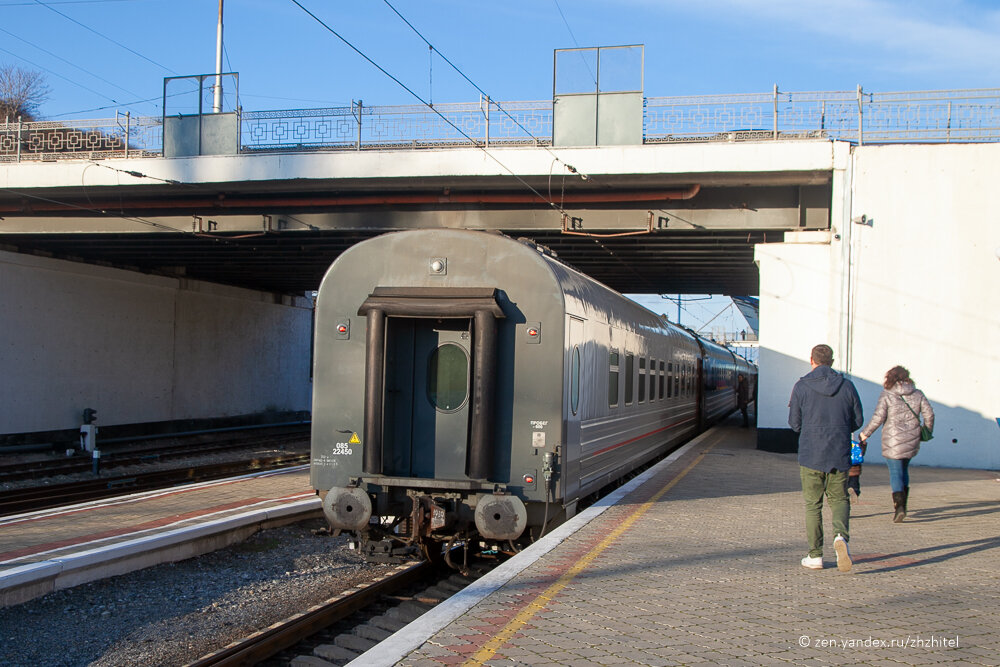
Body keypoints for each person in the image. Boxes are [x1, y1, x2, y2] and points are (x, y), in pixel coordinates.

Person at [788, 344, 863, 572]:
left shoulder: (801, 386)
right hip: (838, 453)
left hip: (811, 453)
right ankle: (840, 537)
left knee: (813, 505)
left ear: (812, 360)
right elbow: (857, 421)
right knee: (840, 500)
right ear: (832, 360)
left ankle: (815, 555)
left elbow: (794, 424)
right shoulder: (847, 386)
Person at [858, 365, 934, 523]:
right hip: (912, 439)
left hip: (892, 440)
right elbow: (929, 414)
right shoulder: (917, 394)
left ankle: (899, 507)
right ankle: (903, 504)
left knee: (895, 472)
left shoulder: (887, 395)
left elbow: (878, 417)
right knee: (904, 470)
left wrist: (865, 433)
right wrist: (926, 430)